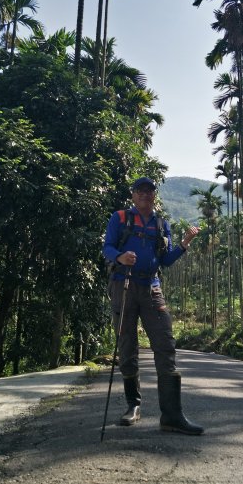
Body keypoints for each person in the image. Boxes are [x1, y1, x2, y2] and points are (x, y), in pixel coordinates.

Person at [103, 176, 204, 435]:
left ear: (154, 196)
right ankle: (132, 406)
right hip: (123, 284)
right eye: (140, 190)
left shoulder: (162, 224)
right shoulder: (120, 218)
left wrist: (183, 245)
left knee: (165, 343)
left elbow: (166, 260)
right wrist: (120, 257)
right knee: (127, 344)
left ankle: (171, 415)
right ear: (133, 195)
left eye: (150, 191)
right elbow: (107, 247)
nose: (145, 195)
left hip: (151, 286)